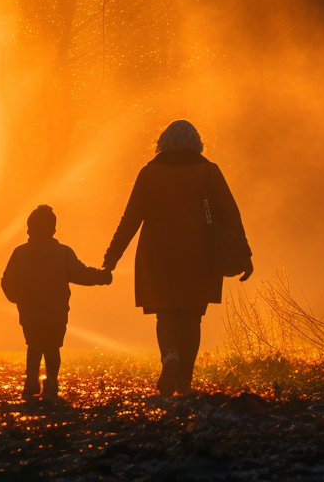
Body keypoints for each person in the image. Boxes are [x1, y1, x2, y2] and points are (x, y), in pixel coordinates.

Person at [103, 120, 252, 397]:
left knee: (166, 314)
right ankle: (184, 380)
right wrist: (245, 254)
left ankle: (169, 355)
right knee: (192, 317)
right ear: (197, 143)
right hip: (199, 252)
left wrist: (111, 258)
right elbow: (231, 215)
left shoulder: (149, 173)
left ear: (163, 143)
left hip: (158, 253)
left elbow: (130, 219)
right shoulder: (209, 171)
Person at [2, 204, 112, 401]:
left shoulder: (20, 253)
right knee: (53, 348)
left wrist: (17, 298)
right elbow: (80, 274)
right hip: (56, 312)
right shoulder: (63, 253)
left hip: (29, 311)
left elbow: (7, 280)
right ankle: (51, 383)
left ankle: (31, 382)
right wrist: (101, 277)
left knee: (33, 345)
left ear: (29, 228)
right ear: (53, 229)